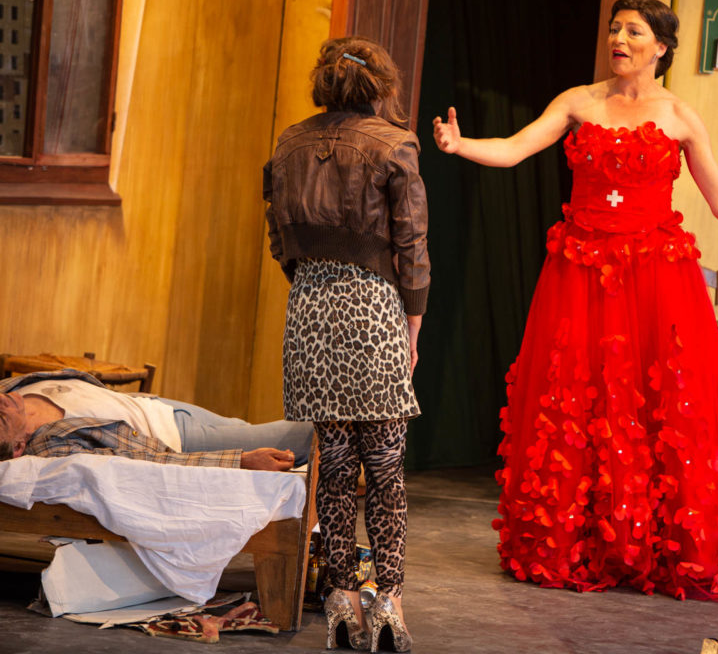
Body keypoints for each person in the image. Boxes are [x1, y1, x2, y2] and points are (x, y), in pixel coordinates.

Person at [432, 0, 718, 601]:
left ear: (661, 47)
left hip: (655, 277)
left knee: (659, 405)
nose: (619, 40)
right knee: (580, 399)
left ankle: (656, 546)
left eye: (633, 32)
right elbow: (517, 147)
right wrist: (460, 144)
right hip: (581, 272)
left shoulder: (679, 115)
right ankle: (580, 543)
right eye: (614, 29)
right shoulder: (579, 101)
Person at [264, 36, 429, 652]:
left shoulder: (288, 143)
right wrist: (413, 323)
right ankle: (388, 603)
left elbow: (278, 238)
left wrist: (312, 281)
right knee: (384, 466)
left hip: (309, 307)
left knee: (333, 466)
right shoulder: (394, 144)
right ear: (380, 85)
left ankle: (339, 601)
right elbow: (412, 245)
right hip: (373, 304)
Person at [0, 368, 310, 470]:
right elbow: (142, 460)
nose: (3, 404)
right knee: (307, 434)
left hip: (157, 406)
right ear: (17, 447)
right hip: (173, 436)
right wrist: (239, 462)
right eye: (2, 419)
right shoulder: (51, 445)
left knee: (248, 429)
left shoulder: (7, 389)